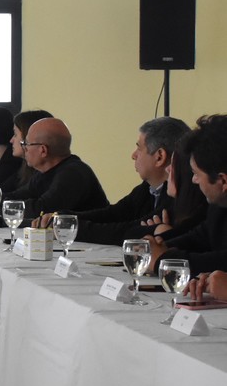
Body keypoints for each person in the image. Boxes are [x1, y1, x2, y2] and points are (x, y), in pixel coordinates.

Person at [44, 117, 188, 245]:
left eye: (139, 148)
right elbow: (115, 214)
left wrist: (68, 227)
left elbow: (124, 231)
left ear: (159, 156)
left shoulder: (180, 195)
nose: (133, 155)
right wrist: (63, 217)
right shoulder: (147, 188)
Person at [147, 114, 227, 275]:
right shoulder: (219, 206)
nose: (193, 180)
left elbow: (222, 260)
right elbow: (201, 236)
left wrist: (163, 260)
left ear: (223, 181)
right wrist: (158, 245)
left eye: (196, 174)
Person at [0, 117, 109, 219]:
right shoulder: (43, 173)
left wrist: (1, 206)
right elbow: (16, 196)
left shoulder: (73, 174)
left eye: (26, 144)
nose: (24, 148)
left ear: (43, 150)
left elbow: (41, 211)